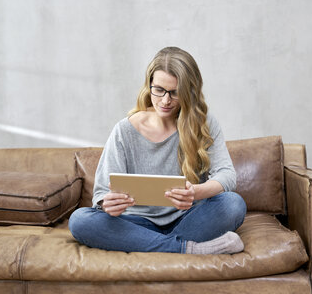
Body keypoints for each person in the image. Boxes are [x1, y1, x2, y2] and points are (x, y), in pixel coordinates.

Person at [69, 47, 246, 254]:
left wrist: (196, 192)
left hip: (187, 219)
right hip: (135, 223)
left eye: (175, 92)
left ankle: (151, 245)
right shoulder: (124, 130)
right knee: (80, 220)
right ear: (149, 85)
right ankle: (190, 249)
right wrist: (108, 204)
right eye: (159, 90)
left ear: (190, 91)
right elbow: (101, 192)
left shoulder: (203, 123)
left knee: (233, 204)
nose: (165, 100)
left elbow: (227, 174)